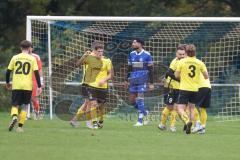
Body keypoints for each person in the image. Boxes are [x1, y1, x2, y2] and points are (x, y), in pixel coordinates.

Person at [6, 40, 42, 132]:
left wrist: (7, 82)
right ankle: (20, 127)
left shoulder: (15, 57)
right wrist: (39, 86)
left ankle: (14, 117)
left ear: (21, 48)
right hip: (27, 86)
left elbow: (8, 71)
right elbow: (36, 73)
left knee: (15, 104)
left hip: (16, 85)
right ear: (29, 48)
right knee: (25, 106)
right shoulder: (32, 59)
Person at [175, 44, 209, 134]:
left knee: (180, 108)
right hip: (195, 89)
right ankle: (192, 125)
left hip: (184, 88)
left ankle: (187, 122)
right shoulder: (200, 63)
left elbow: (176, 75)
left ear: (186, 52)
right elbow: (206, 76)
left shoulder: (182, 62)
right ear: (195, 52)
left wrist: (183, 77)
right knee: (192, 109)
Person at [125, 38, 154, 127]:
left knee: (140, 100)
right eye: (133, 42)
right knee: (132, 100)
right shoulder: (131, 54)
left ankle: (140, 121)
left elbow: (151, 69)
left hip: (142, 80)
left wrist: (151, 82)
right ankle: (145, 113)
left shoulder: (147, 55)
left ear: (140, 44)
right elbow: (130, 67)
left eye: (135, 42)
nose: (133, 44)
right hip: (133, 80)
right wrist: (126, 79)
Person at [158, 44, 186, 132]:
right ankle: (164, 124)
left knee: (176, 107)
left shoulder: (185, 61)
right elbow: (170, 72)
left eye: (183, 54)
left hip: (178, 87)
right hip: (171, 87)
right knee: (171, 107)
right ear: (176, 54)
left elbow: (168, 72)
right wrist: (179, 81)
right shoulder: (175, 61)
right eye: (179, 54)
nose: (181, 56)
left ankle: (170, 125)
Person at [27, 47, 44, 120]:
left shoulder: (36, 57)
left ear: (32, 48)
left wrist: (41, 80)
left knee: (33, 98)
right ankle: (25, 115)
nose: (28, 49)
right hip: (24, 80)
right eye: (27, 47)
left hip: (34, 81)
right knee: (24, 98)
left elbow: (39, 69)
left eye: (29, 47)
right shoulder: (20, 56)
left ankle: (37, 112)